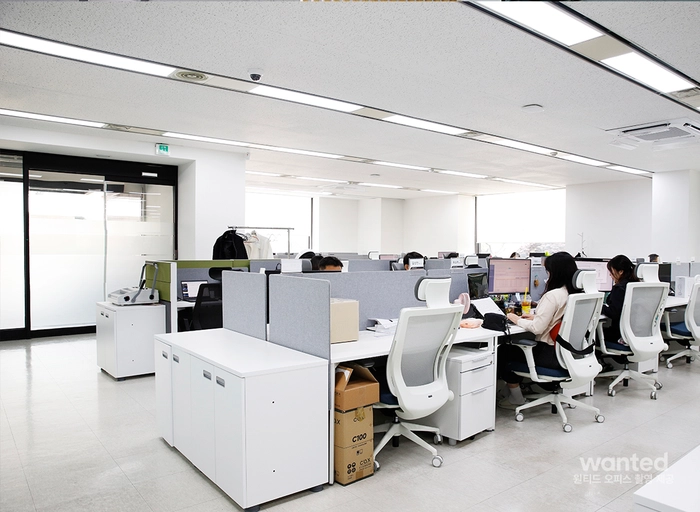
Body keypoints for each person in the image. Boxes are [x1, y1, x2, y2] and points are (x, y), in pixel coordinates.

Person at [497, 251, 580, 409]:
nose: (547, 275)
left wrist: (515, 318)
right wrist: (536, 317)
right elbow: (562, 319)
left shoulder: (553, 295)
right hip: (569, 354)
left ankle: (516, 398)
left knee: (503, 351)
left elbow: (537, 329)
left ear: (554, 272)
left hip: (549, 355)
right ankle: (512, 392)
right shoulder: (576, 294)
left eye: (547, 271)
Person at [601, 255, 639, 345]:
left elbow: (614, 313)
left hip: (620, 334)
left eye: (611, 271)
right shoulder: (636, 285)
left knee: (590, 335)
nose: (610, 275)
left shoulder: (619, 288)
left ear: (621, 271)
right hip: (635, 333)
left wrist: (599, 307)